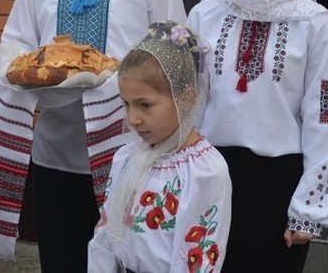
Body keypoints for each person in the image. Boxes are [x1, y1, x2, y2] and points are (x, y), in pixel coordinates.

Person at [0, 0, 186, 271]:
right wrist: (10, 66)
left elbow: (175, 57)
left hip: (130, 149)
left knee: (125, 261)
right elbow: (17, 42)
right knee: (60, 259)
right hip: (55, 149)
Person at [186, 0, 328, 273]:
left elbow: (325, 115)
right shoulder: (205, 14)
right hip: (209, 177)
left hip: (279, 184)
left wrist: (310, 207)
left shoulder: (315, 22)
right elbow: (187, 102)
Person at [88, 21, 231, 272]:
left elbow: (194, 261)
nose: (133, 119)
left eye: (145, 105)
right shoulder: (127, 157)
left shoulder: (203, 172)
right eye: (126, 104)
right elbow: (105, 234)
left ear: (186, 98)